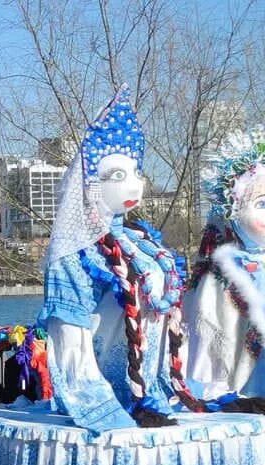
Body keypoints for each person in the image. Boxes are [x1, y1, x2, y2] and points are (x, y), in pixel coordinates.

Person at [39, 87, 203, 433]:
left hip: (148, 394)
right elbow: (70, 333)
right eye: (118, 176)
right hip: (104, 388)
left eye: (136, 174)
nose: (134, 186)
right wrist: (90, 394)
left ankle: (147, 393)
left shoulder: (142, 242)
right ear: (91, 185)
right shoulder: (73, 253)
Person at [185, 125, 265, 410]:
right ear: (234, 212)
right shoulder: (224, 272)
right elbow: (212, 324)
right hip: (243, 384)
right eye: (262, 204)